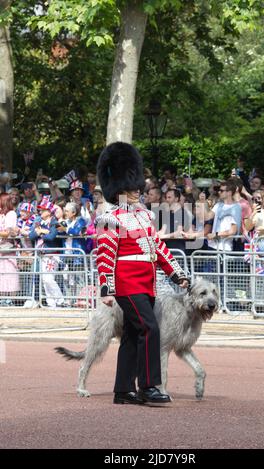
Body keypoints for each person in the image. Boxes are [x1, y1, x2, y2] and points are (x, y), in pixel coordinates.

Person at [97, 142, 189, 406]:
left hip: (146, 282)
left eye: (137, 187)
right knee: (150, 328)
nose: (137, 191)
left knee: (131, 334)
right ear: (119, 190)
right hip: (126, 283)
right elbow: (105, 255)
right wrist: (107, 288)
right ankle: (148, 386)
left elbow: (158, 248)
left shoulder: (145, 216)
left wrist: (176, 274)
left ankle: (123, 390)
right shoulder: (110, 218)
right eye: (131, 187)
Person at [29, 198, 65, 308]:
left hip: (52, 254)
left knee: (49, 279)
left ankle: (60, 301)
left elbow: (51, 237)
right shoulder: (39, 222)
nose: (40, 212)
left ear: (49, 212)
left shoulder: (55, 223)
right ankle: (51, 303)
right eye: (40, 210)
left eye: (43, 210)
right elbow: (31, 235)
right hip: (42, 254)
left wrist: (42, 232)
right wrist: (41, 232)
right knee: (45, 279)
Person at [207, 180, 242, 252]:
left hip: (224, 248)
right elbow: (207, 217)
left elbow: (232, 231)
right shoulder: (218, 205)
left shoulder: (236, 208)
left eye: (221, 190)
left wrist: (216, 234)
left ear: (229, 193)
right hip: (211, 245)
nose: (219, 192)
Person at [0, 193, 20, 305]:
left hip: (7, 248)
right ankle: (2, 298)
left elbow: (8, 232)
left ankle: (9, 300)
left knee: (9, 273)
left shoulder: (11, 214)